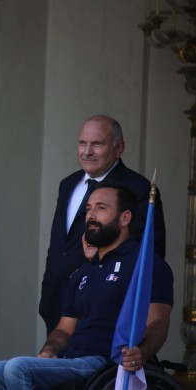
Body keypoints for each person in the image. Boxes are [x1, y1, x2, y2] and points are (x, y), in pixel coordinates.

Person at [0, 182, 173, 390]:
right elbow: (64, 329)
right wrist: (50, 349)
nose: (90, 215)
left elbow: (157, 322)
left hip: (107, 363)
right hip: (72, 359)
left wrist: (141, 353)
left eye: (101, 208)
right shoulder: (83, 272)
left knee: (18, 368)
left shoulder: (146, 265)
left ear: (124, 218)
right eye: (88, 208)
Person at [39, 115, 166, 334]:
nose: (87, 151)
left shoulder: (139, 189)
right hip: (57, 302)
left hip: (103, 307)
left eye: (97, 144)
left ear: (119, 148)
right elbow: (60, 245)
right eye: (82, 143)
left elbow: (148, 254)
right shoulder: (68, 184)